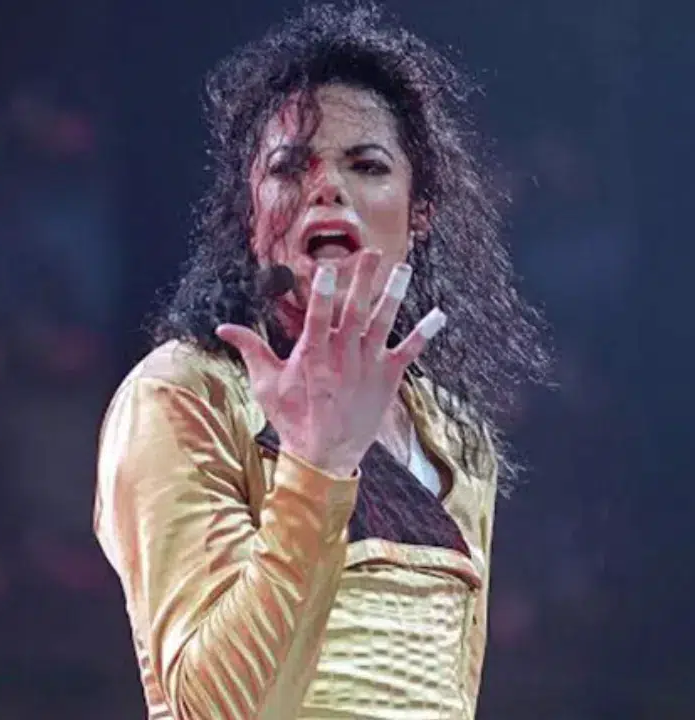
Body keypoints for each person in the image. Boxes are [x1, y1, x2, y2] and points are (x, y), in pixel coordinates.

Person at [94, 4, 549, 718]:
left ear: (419, 209)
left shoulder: (457, 438)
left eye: (366, 165)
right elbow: (215, 710)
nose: (327, 186)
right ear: (253, 213)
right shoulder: (184, 396)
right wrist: (317, 468)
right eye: (289, 166)